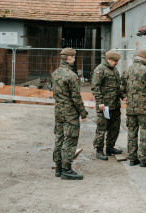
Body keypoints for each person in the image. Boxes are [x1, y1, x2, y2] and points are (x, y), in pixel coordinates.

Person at [52, 47, 88, 180]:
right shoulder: (72, 76)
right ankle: (67, 170)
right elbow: (76, 98)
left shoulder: (55, 73)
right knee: (70, 140)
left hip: (59, 110)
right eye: (74, 57)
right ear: (70, 58)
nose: (74, 59)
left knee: (59, 138)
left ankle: (59, 168)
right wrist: (83, 114)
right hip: (70, 113)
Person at [121, 50, 146, 167]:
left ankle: (132, 159)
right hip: (144, 108)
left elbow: (121, 88)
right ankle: (144, 160)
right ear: (144, 59)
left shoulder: (127, 70)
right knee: (145, 133)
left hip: (131, 108)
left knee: (131, 133)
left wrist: (125, 97)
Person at [91, 50, 126, 160]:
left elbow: (117, 86)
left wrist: (123, 96)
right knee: (102, 128)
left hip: (115, 105)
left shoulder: (114, 70)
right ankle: (99, 150)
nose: (117, 63)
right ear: (108, 59)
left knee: (114, 128)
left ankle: (110, 147)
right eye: (115, 61)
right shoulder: (100, 70)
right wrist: (100, 102)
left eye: (117, 61)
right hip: (105, 106)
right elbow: (95, 88)